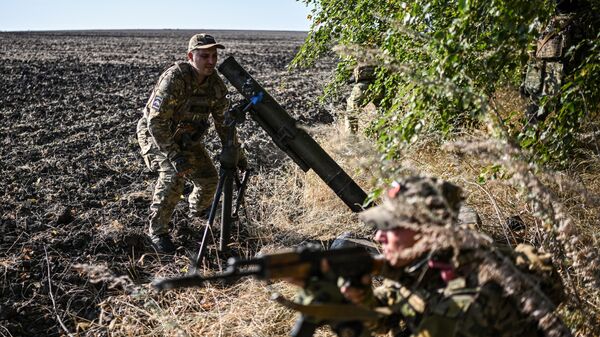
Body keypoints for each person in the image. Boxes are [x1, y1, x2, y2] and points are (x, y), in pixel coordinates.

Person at [337, 176, 570, 337]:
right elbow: (383, 319)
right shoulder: (420, 268)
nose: (378, 236)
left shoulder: (486, 281)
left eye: (391, 227)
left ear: (426, 230)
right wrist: (362, 297)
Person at [136, 33, 247, 253]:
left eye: (214, 55)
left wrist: (237, 152)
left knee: (209, 179)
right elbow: (156, 122)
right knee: (173, 174)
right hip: (157, 136)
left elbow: (223, 124)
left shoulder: (215, 85)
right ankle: (157, 232)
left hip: (186, 138)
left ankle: (196, 211)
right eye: (204, 56)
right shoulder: (175, 79)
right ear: (190, 56)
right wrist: (175, 156)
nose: (211, 61)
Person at [520, 0, 594, 124]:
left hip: (549, 73)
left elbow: (533, 51)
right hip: (548, 74)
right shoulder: (578, 21)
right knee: (537, 121)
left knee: (537, 121)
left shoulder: (547, 21)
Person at [345, 63, 377, 134]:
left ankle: (351, 142)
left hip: (362, 85)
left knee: (351, 115)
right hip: (380, 84)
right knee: (383, 113)